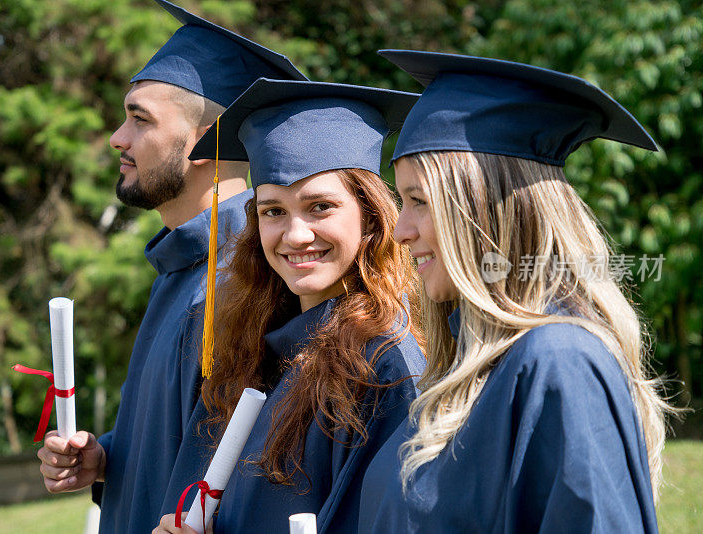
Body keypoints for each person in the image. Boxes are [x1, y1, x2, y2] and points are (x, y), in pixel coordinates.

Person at [358, 51, 672, 533]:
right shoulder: (470, 368)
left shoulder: (559, 363)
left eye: (420, 200)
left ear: (488, 211)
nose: (400, 230)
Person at [34, 2, 306, 533]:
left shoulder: (243, 284)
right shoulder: (183, 269)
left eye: (140, 120)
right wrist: (105, 458)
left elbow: (241, 477)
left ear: (207, 140)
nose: (118, 137)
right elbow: (178, 442)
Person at [151, 78, 425, 534]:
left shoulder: (383, 362)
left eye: (319, 206)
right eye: (273, 210)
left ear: (370, 216)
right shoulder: (258, 348)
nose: (295, 235)